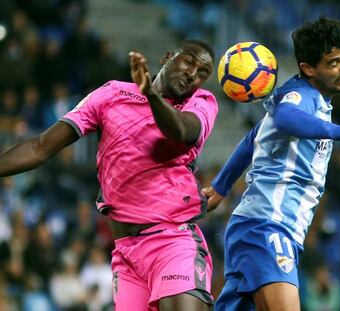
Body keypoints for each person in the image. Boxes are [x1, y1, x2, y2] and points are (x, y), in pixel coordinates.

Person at [0, 39, 218, 311]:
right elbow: (41, 146)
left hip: (173, 241)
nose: (192, 74)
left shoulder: (201, 103)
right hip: (126, 253)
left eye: (202, 74)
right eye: (189, 62)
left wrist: (150, 93)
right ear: (167, 57)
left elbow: (181, 132)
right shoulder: (111, 94)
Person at [202, 16, 340, 311]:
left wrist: (221, 187)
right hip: (268, 228)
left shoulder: (314, 101)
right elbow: (286, 118)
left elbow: (253, 137)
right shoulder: (301, 96)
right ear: (308, 68)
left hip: (260, 229)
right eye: (334, 62)